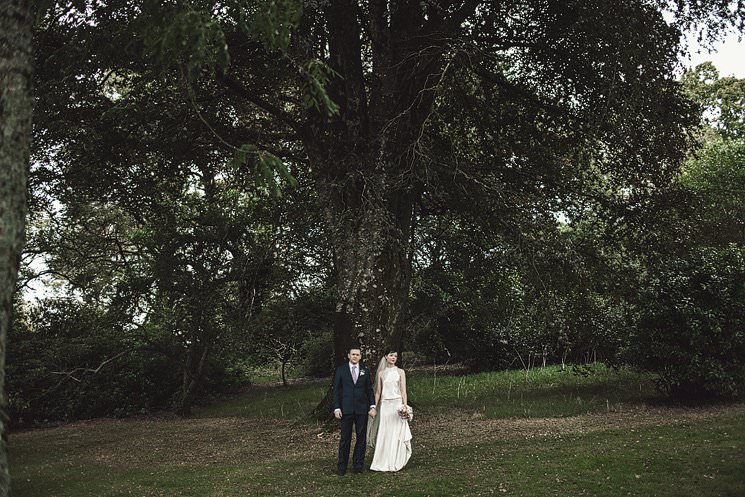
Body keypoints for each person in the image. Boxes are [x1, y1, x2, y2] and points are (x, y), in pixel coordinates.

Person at [332, 347, 376, 475]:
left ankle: (358, 465)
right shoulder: (341, 370)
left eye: (357, 355)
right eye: (353, 354)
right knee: (345, 438)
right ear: (348, 356)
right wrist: (337, 407)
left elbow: (369, 390)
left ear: (360, 356)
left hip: (362, 409)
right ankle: (342, 467)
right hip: (346, 409)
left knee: (361, 438)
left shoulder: (365, 371)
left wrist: (372, 406)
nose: (355, 356)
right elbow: (336, 391)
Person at [368, 351, 412, 472]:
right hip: (385, 405)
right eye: (391, 355)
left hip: (397, 405)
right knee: (386, 431)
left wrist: (404, 406)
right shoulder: (381, 373)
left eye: (395, 356)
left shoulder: (400, 372)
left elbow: (403, 390)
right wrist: (374, 407)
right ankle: (383, 460)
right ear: (386, 357)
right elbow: (378, 392)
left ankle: (396, 459)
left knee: (397, 431)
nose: (393, 358)